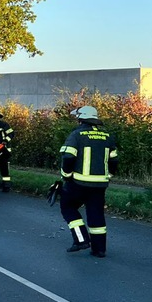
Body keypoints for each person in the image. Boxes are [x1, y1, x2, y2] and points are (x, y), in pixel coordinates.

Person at [58, 105, 119, 257]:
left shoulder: (77, 135)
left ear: (81, 118)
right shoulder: (107, 136)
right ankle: (99, 249)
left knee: (68, 206)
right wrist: (109, 175)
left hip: (78, 182)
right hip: (100, 184)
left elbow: (68, 157)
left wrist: (66, 175)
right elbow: (114, 160)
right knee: (96, 213)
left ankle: (81, 240)